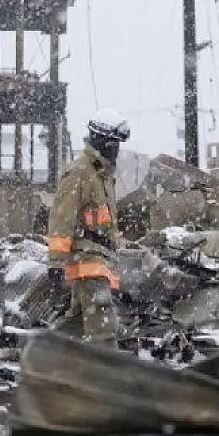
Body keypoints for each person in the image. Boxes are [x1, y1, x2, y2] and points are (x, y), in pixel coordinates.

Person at [46, 108, 131, 346]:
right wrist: (56, 260)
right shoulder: (79, 173)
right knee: (103, 325)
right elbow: (61, 218)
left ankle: (46, 355)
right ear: (101, 141)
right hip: (87, 260)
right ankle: (109, 376)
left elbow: (105, 223)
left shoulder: (102, 175)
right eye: (114, 144)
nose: (117, 149)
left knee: (77, 323)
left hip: (102, 259)